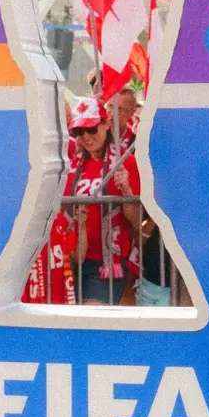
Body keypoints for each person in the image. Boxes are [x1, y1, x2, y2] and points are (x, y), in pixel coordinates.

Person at [61, 95, 142, 305]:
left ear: (106, 125)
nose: (86, 137)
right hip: (72, 259)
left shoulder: (126, 162)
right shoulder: (71, 165)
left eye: (92, 129)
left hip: (107, 264)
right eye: (79, 131)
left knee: (91, 318)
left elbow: (136, 221)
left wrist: (126, 189)